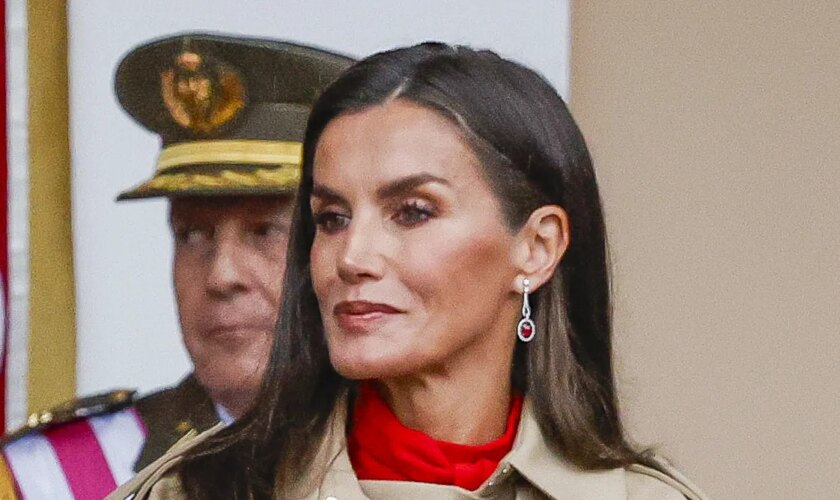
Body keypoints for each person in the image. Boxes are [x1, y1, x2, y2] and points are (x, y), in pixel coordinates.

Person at [110, 42, 708, 500]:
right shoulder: (193, 491)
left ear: (537, 247)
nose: (352, 257)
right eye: (332, 217)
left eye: (413, 212)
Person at [0, 33, 351, 499]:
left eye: (265, 231)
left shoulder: (439, 453)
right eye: (192, 234)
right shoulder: (49, 478)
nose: (222, 275)